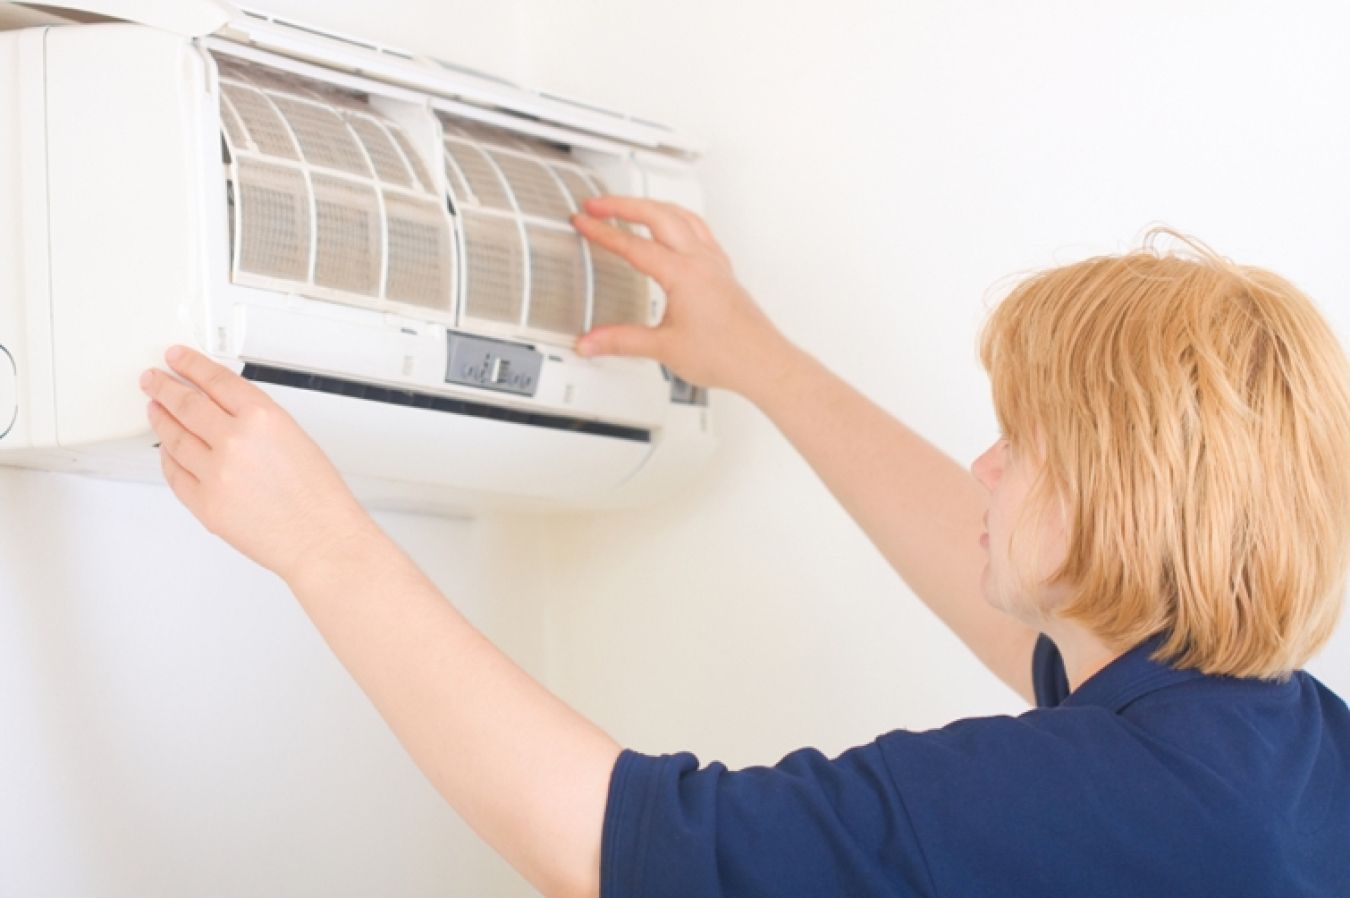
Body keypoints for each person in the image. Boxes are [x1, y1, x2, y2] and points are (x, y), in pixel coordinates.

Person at [137, 196, 1350, 898]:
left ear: (1124, 496)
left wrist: (322, 543)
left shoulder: (1108, 795)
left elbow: (624, 843)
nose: (987, 464)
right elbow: (1003, 590)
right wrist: (756, 356)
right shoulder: (1272, 741)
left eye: (1021, 443)